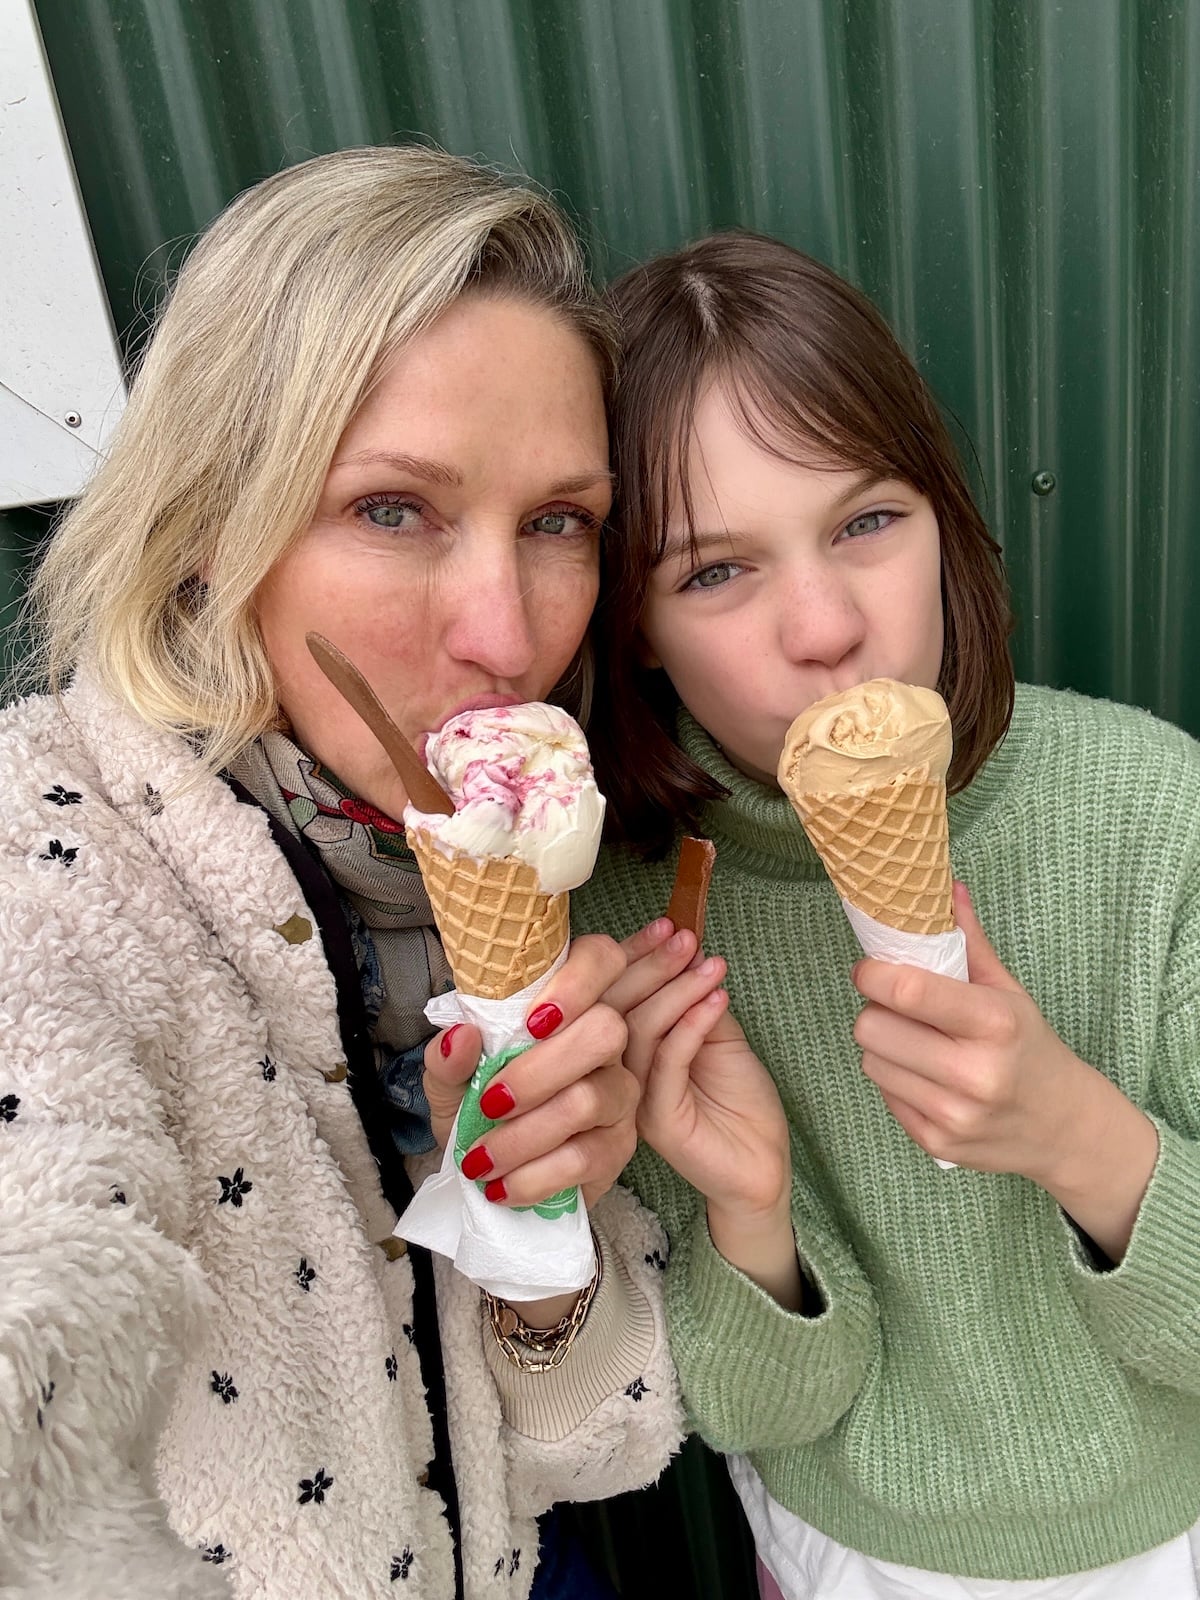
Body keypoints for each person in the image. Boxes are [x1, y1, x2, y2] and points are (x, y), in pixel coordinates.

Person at [0, 145, 683, 1600]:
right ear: (208, 526)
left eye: (557, 522)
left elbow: (581, 1451)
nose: (506, 635)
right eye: (393, 509)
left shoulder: (521, 872)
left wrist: (538, 1235)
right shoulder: (45, 858)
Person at [576, 230, 1200, 1597]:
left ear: (943, 522)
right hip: (848, 1553)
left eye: (866, 523)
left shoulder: (1158, 813)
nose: (824, 626)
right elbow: (750, 1408)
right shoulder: (635, 924)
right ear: (635, 631)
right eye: (714, 572)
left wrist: (1078, 1137)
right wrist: (751, 1210)